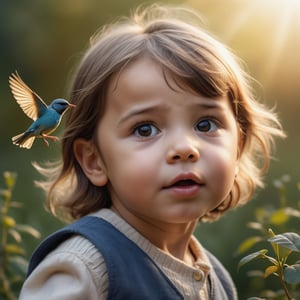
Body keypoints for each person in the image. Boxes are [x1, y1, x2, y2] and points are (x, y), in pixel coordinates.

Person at [19, 4, 285, 300]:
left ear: (238, 145)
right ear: (94, 161)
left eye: (205, 123)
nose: (184, 148)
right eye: (145, 129)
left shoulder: (218, 280)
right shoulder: (83, 270)